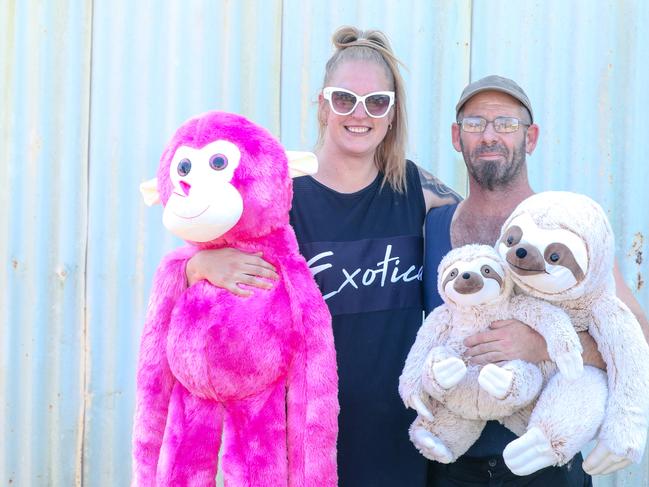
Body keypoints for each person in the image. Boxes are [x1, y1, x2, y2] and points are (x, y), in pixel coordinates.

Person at [185, 27, 460, 486]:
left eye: (376, 102)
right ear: (322, 104)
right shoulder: (281, 193)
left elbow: (488, 225)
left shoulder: (416, 188)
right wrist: (201, 266)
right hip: (305, 440)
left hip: (401, 438)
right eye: (344, 99)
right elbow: (194, 251)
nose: (360, 114)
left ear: (391, 115)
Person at [422, 74, 649, 486]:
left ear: (531, 137)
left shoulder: (569, 232)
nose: (490, 135)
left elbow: (639, 335)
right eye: (475, 123)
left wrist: (542, 345)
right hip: (451, 466)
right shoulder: (432, 227)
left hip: (547, 464)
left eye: (506, 123)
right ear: (457, 137)